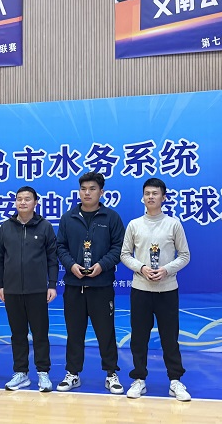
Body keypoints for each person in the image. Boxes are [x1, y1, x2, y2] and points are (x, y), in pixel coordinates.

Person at [119, 178, 191, 401]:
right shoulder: (134, 225)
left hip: (167, 290)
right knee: (139, 337)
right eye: (147, 193)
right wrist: (141, 268)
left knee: (169, 337)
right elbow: (124, 254)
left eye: (155, 193)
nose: (151, 197)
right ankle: (139, 379)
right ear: (143, 197)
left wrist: (167, 270)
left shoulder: (173, 224)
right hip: (140, 289)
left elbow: (185, 255)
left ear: (163, 197)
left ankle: (175, 381)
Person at [55, 171, 125, 394]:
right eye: (83, 189)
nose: (87, 193)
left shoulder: (111, 218)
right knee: (74, 332)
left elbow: (119, 247)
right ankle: (72, 373)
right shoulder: (68, 218)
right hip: (74, 285)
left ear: (101, 192)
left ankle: (111, 374)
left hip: (101, 285)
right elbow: (60, 247)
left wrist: (102, 265)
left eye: (92, 189)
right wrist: (71, 266)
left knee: (106, 332)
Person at [0, 186, 58, 392]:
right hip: (12, 290)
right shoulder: (5, 227)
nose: (22, 202)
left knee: (40, 333)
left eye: (27, 199)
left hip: (37, 290)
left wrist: (52, 285)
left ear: (35, 203)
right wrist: (0, 285)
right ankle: (21, 372)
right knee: (17, 334)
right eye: (19, 199)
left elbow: (52, 259)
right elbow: (0, 259)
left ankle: (43, 373)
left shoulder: (45, 227)